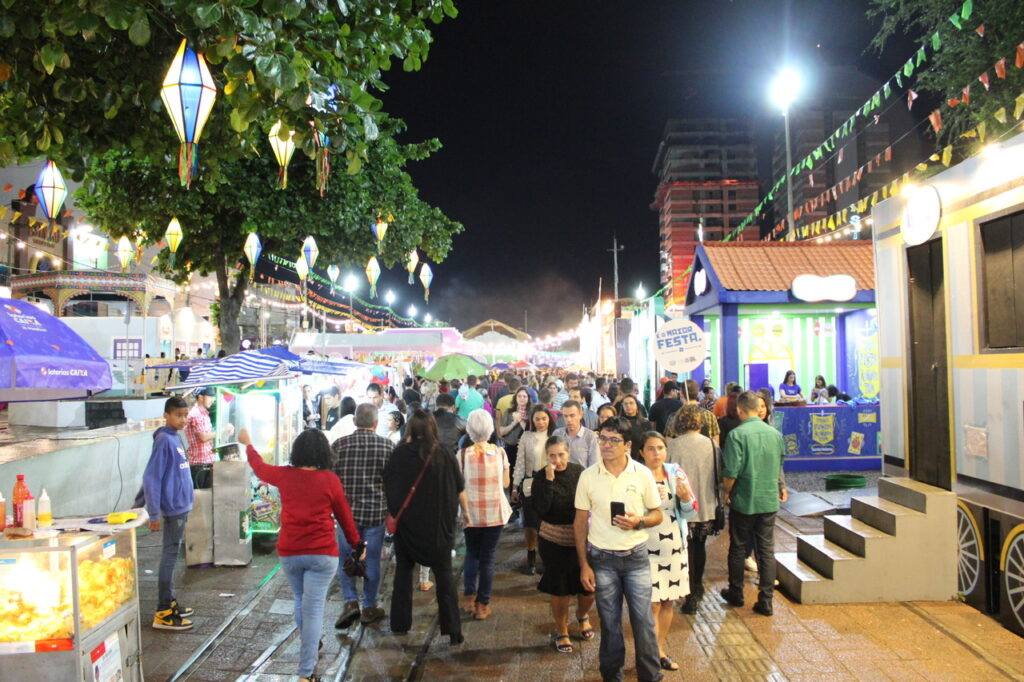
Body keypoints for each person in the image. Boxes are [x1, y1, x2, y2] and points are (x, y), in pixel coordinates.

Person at [240, 427, 362, 682]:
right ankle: (305, 673)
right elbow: (345, 518)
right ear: (324, 453)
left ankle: (311, 644)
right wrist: (357, 544)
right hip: (322, 554)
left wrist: (248, 444)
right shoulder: (330, 479)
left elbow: (260, 468)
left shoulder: (285, 475)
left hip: (290, 551)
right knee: (314, 608)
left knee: (300, 600)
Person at [574, 417, 664, 682]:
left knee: (644, 623)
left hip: (636, 557)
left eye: (614, 440)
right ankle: (612, 676)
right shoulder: (588, 476)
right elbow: (580, 522)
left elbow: (657, 513)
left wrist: (640, 521)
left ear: (627, 445)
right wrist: (584, 564)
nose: (606, 445)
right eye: (603, 438)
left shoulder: (642, 474)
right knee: (610, 625)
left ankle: (651, 676)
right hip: (602, 560)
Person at [384, 409, 464, 644]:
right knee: (445, 578)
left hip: (408, 527)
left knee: (403, 574)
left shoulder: (398, 454)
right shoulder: (444, 453)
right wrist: (462, 515)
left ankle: (399, 624)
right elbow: (458, 487)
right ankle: (454, 631)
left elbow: (389, 486)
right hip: (438, 528)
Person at [720, 391, 788, 617]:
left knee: (739, 547)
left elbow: (731, 472)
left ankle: (736, 593)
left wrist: (726, 493)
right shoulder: (775, 434)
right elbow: (779, 463)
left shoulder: (736, 435)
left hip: (744, 500)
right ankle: (766, 600)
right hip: (769, 500)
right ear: (758, 409)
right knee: (766, 550)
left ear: (739, 410)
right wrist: (782, 486)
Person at [330, 404, 394, 628]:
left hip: (346, 514)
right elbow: (391, 482)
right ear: (376, 424)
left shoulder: (339, 445)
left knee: (347, 559)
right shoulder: (387, 446)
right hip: (375, 513)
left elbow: (331, 480)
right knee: (372, 561)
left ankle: (350, 602)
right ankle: (369, 605)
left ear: (355, 421)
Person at [531, 436, 594, 653]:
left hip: (581, 537)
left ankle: (582, 614)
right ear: (546, 456)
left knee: (589, 588)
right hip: (553, 539)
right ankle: (562, 630)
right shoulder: (540, 477)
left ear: (568, 453)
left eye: (561, 454)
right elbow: (540, 509)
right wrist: (548, 481)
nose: (557, 460)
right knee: (560, 588)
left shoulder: (580, 473)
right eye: (552, 455)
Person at [639, 432, 694, 672]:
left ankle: (660, 649)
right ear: (641, 452)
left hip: (673, 545)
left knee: (668, 600)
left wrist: (684, 499)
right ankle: (649, 654)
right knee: (651, 604)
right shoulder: (636, 475)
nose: (656, 453)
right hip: (645, 545)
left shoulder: (675, 473)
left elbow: (691, 510)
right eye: (651, 449)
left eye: (660, 448)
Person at [145, 397, 196, 631]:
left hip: (181, 505)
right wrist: (153, 513)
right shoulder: (164, 440)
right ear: (166, 415)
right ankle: (163, 611)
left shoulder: (175, 438)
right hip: (173, 508)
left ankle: (170, 601)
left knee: (173, 556)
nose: (183, 419)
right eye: (178, 415)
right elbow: (151, 477)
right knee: (169, 557)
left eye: (186, 415)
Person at [457, 409, 511, 620]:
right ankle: (483, 605)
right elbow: (506, 483)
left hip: (470, 513)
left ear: (469, 429)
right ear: (490, 429)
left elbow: (458, 486)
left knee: (472, 553)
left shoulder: (461, 455)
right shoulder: (500, 453)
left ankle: (469, 598)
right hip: (494, 513)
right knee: (488, 558)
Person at [667, 405, 721, 615]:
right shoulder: (711, 444)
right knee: (699, 546)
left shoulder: (672, 446)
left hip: (681, 506)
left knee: (683, 547)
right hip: (706, 505)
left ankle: (683, 587)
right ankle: (696, 588)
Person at [513, 404, 556, 574]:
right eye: (537, 419)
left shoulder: (555, 436)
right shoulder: (526, 436)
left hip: (550, 482)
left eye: (544, 418)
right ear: (532, 420)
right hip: (530, 483)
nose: (540, 422)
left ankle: (546, 558)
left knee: (547, 524)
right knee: (530, 524)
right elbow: (520, 463)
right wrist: (515, 487)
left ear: (549, 419)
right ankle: (531, 557)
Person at [185, 387, 230, 489]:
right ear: (200, 397)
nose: (213, 400)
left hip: (206, 463)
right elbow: (203, 437)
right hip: (199, 465)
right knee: (200, 499)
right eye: (210, 397)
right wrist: (223, 430)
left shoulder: (204, 413)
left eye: (213, 397)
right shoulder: (196, 413)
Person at [498, 386, 531, 486]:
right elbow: (502, 431)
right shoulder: (508, 412)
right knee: (512, 473)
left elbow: (530, 431)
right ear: (515, 398)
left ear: (528, 398)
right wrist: (514, 423)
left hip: (526, 449)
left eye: (524, 396)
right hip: (511, 447)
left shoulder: (531, 413)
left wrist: (520, 420)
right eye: (519, 396)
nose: (522, 398)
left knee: (525, 475)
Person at [553, 400, 599, 468]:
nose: (568, 419)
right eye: (565, 416)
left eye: (572, 416)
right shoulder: (557, 434)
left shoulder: (591, 437)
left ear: (580, 415)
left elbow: (594, 465)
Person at [679, 379, 721, 446]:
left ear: (681, 394)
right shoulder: (710, 415)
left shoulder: (674, 417)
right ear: (698, 393)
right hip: (707, 454)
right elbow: (716, 444)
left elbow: (670, 446)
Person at [617, 394, 654, 461]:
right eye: (625, 404)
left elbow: (650, 442)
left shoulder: (645, 423)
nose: (628, 406)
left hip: (641, 459)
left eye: (631, 403)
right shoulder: (618, 423)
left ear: (637, 406)